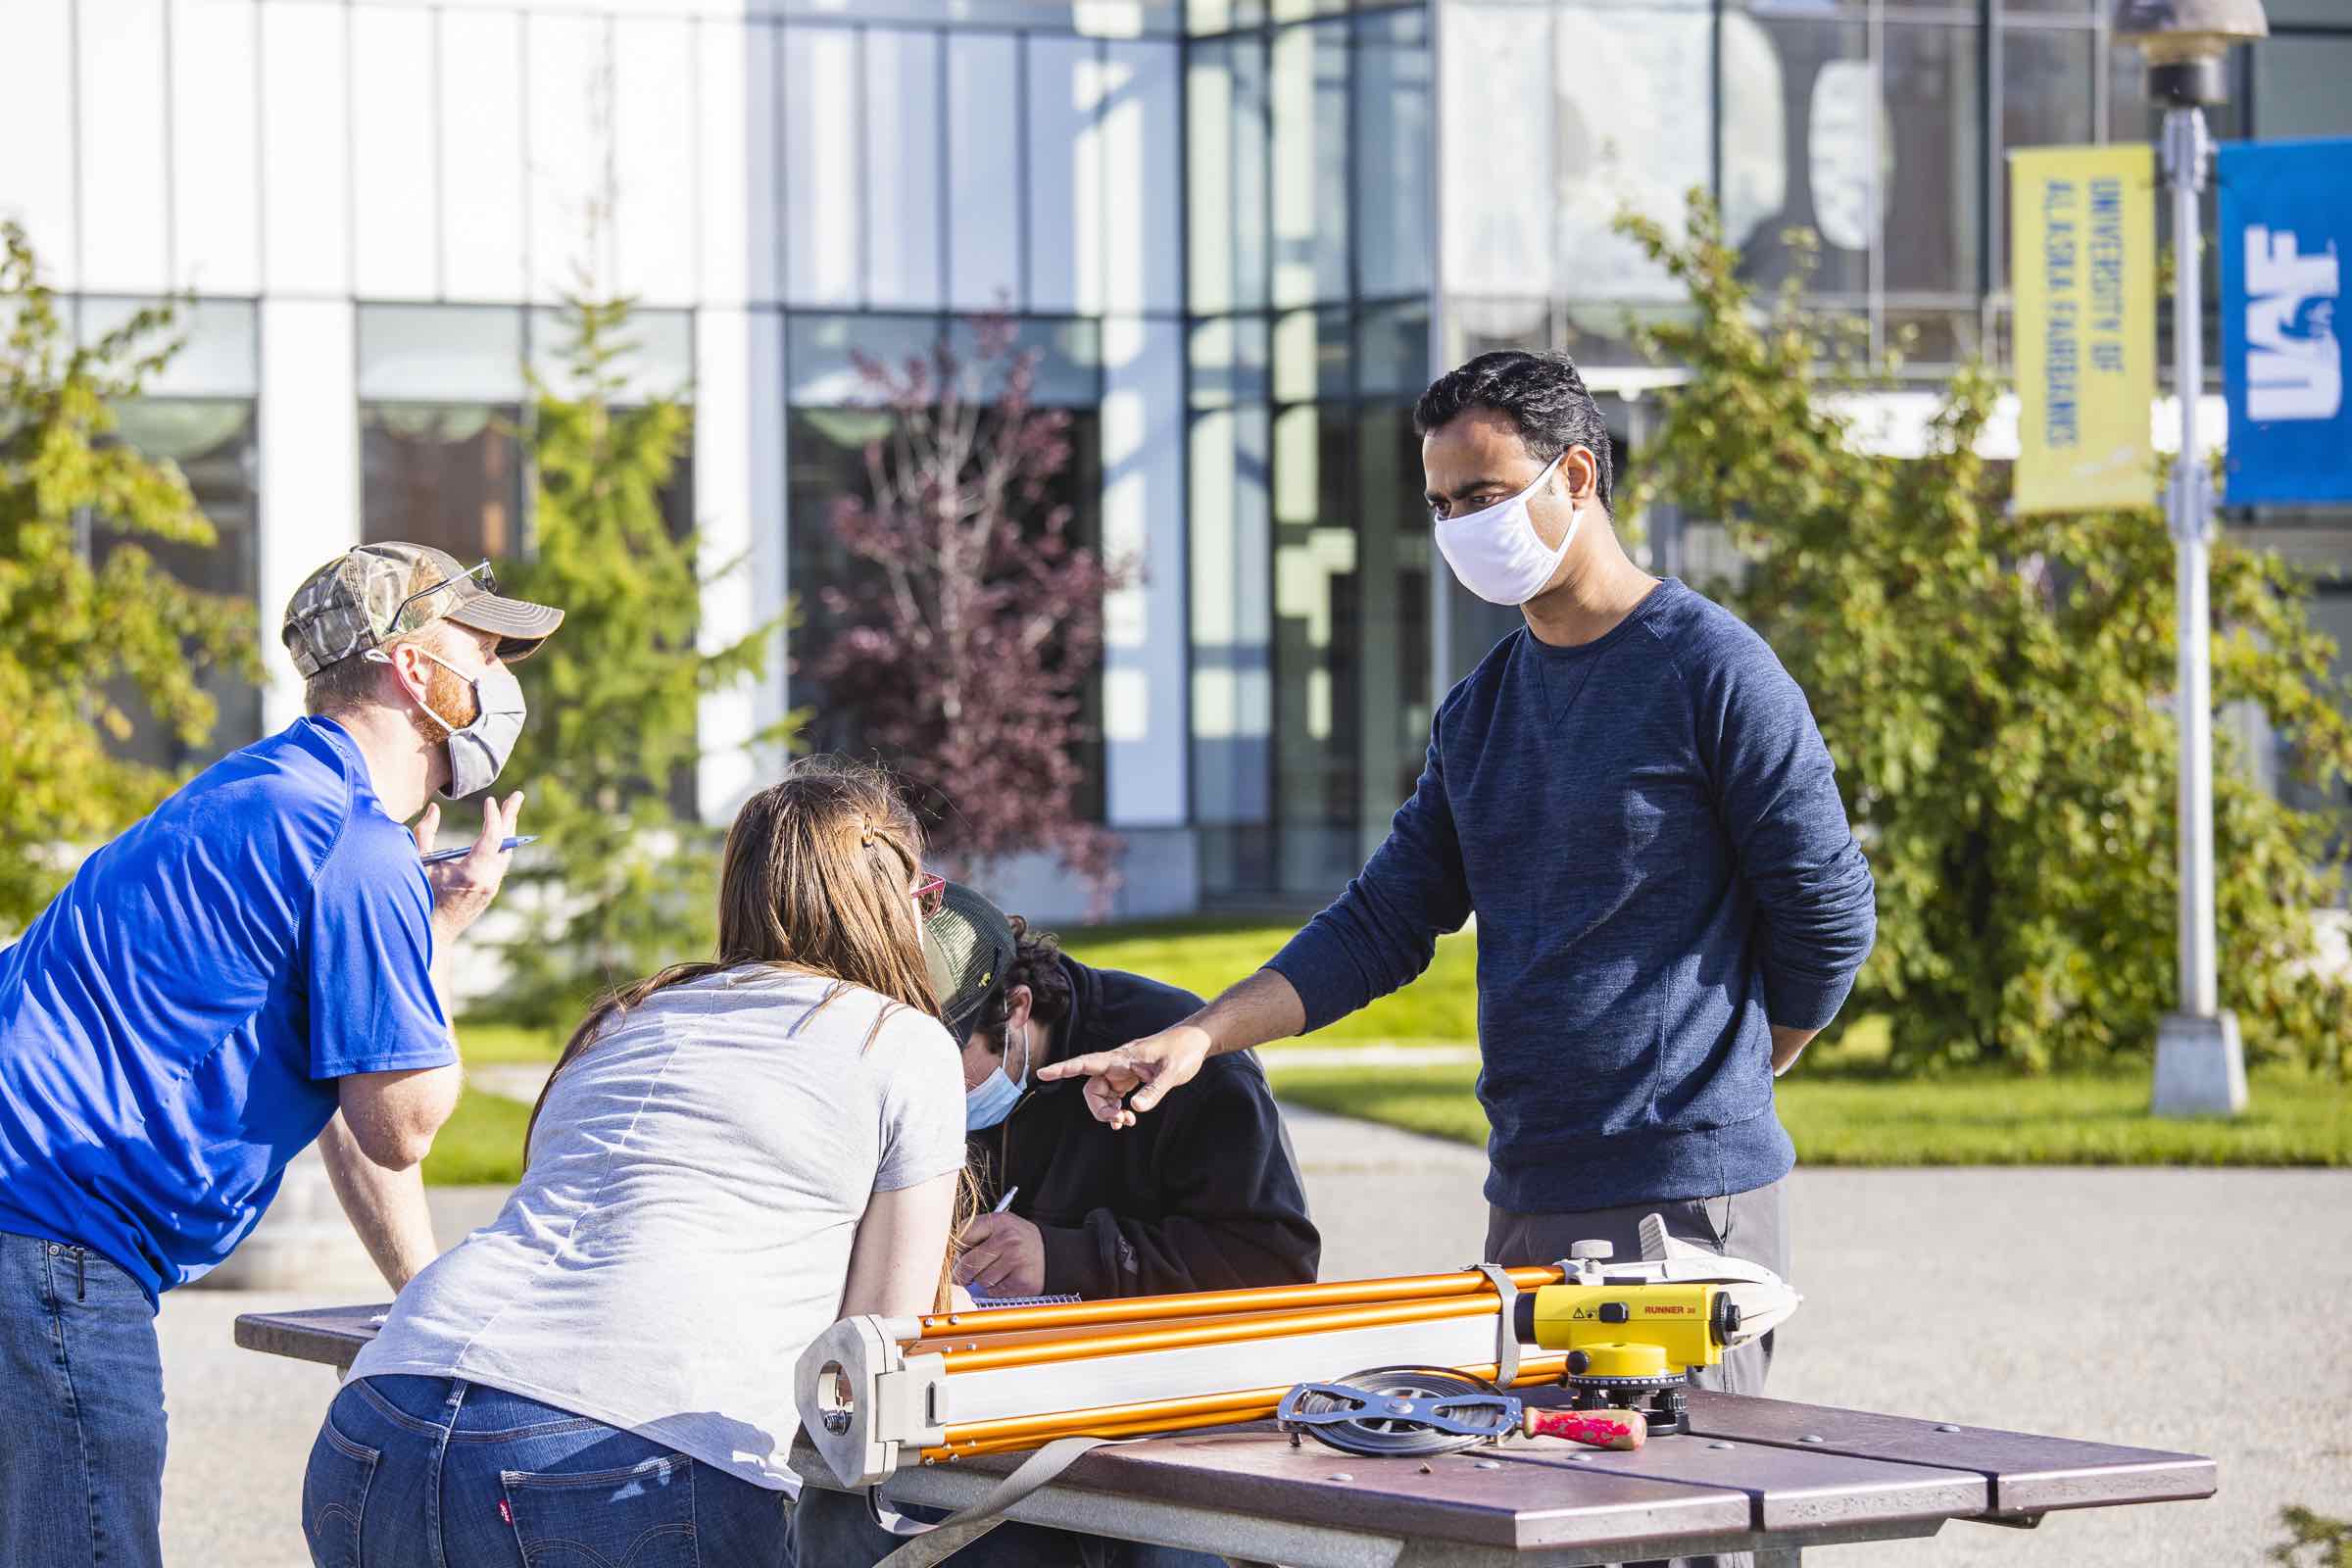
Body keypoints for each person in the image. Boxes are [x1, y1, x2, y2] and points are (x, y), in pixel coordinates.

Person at [1042, 351, 1877, 1566]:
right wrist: (1198, 1034)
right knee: (1527, 1533)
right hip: (1528, 1200)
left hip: (1688, 1209)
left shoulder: (1714, 673)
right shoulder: (1482, 712)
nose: (1459, 528)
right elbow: (1383, 922)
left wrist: (1750, 1063)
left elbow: (1829, 916)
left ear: (1576, 475)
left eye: (1481, 494)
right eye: (1439, 506)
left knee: (1679, 1536)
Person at [0, 542, 562, 1568]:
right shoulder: (353, 843)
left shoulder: (261, 791)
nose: (501, 683)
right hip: (50, 1242)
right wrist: (425, 938)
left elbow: (338, 1071)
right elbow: (400, 1117)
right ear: (412, 670)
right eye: (483, 650)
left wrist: (420, 1303)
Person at [305, 760, 966, 1568]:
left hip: (380, 1417)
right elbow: (868, 1361)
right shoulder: (901, 1043)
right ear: (892, 905)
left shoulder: (628, 1017)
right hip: (621, 1451)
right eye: (923, 901)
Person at [788, 881, 1301, 1568]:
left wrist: (1065, 1257)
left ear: (1018, 1007)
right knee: (837, 1515)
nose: (926, 1096)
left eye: (942, 1069)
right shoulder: (916, 1084)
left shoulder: (1179, 1064)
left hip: (1160, 1412)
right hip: (984, 1404)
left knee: (1153, 1548)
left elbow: (1274, 1267)